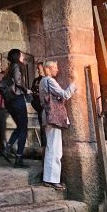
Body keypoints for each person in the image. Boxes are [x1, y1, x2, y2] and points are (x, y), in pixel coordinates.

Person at [38, 60, 75, 190]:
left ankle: (49, 178)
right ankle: (52, 180)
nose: (57, 70)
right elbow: (65, 94)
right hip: (52, 117)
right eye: (55, 67)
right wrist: (74, 84)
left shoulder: (43, 81)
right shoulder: (49, 81)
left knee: (51, 148)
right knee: (55, 150)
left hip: (48, 116)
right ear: (48, 69)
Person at [1, 49, 31, 168]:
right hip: (17, 99)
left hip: (10, 101)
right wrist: (26, 90)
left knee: (20, 126)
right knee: (23, 128)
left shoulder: (9, 68)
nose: (23, 56)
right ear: (17, 56)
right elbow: (18, 82)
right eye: (21, 55)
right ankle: (19, 158)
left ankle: (8, 148)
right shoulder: (16, 66)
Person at [30, 61, 47, 149]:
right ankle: (44, 148)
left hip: (47, 108)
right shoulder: (36, 80)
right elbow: (33, 92)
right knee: (42, 128)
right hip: (40, 107)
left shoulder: (48, 79)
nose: (38, 70)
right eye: (37, 68)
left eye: (39, 68)